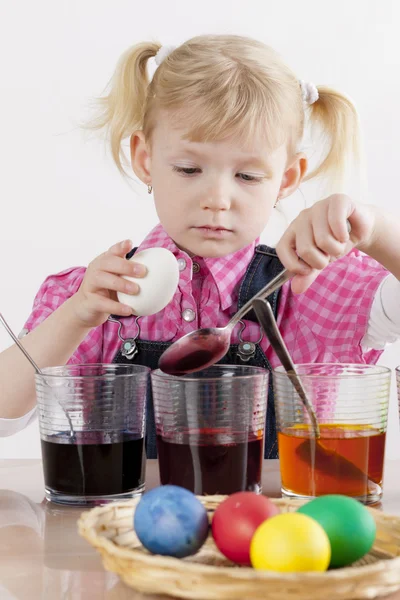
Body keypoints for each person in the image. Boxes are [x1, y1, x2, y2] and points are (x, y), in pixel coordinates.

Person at [1, 35, 400, 458]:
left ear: (286, 179)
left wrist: (372, 228)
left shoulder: (310, 287)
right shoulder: (96, 299)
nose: (218, 198)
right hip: (124, 523)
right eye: (190, 168)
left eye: (247, 176)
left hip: (274, 524)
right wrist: (77, 315)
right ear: (145, 158)